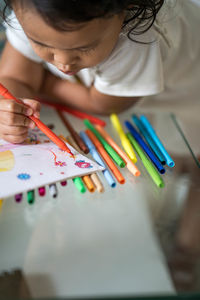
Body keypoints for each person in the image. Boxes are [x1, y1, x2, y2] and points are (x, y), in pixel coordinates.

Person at [0, 0, 199, 144]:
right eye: (40, 43)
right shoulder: (31, 9)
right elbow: (14, 76)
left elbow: (102, 103)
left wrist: (45, 83)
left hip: (187, 95)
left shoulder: (137, 39)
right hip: (135, 89)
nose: (63, 63)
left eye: (84, 48)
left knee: (186, 157)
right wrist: (10, 108)